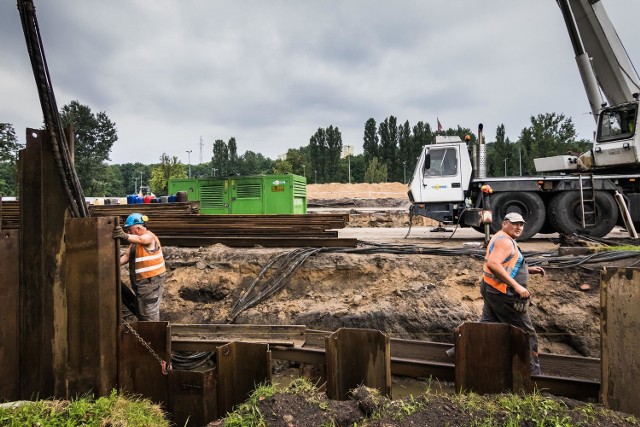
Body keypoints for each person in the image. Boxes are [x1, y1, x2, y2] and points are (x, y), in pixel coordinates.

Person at [479, 212, 545, 374]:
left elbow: (505, 263)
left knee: (486, 325)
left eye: (521, 224)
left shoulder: (500, 237)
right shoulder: (505, 242)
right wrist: (517, 287)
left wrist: (527, 270)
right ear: (504, 223)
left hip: (491, 287)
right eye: (514, 223)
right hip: (503, 293)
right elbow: (494, 264)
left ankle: (457, 351)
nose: (518, 227)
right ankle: (531, 374)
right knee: (526, 333)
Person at [113, 213, 166, 321]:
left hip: (151, 282)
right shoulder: (135, 242)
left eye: (129, 230)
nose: (128, 232)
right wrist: (112, 264)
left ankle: (152, 336)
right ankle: (147, 333)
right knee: (142, 310)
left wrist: (124, 236)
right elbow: (127, 256)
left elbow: (143, 240)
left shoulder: (149, 237)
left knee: (148, 313)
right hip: (142, 282)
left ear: (138, 228)